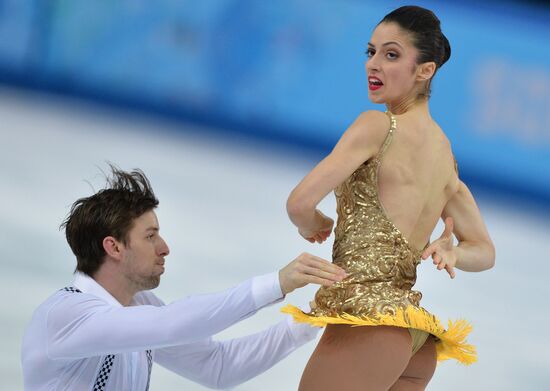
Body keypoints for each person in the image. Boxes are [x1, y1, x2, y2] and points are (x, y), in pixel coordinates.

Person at [281, 5, 496, 391]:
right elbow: (484, 250)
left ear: (425, 70)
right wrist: (455, 254)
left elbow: (299, 203)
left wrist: (312, 223)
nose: (373, 65)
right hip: (415, 340)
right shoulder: (447, 158)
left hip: (370, 326)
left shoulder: (376, 126)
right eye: (371, 52)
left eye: (391, 54)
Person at [21, 165, 347, 391]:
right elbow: (171, 324)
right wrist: (277, 283)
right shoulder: (66, 315)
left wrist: (310, 318)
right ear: (114, 247)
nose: (165, 248)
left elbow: (218, 366)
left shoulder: (139, 304)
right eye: (150, 236)